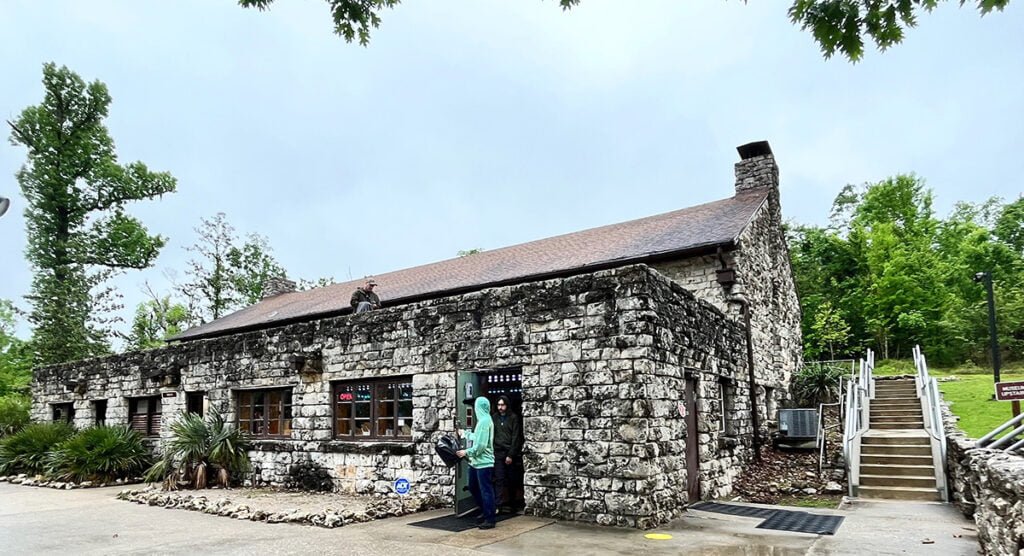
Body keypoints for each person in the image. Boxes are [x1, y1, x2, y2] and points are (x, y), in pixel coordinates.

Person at [456, 396, 496, 529]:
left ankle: (490, 518)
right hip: (477, 462)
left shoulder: (484, 422)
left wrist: (466, 452)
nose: (474, 409)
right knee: (473, 486)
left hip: (484, 462)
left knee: (486, 490)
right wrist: (466, 434)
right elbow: (478, 438)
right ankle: (485, 511)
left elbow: (481, 446)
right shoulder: (483, 421)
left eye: (475, 406)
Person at [492, 395, 523, 513]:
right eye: (499, 405)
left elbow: (516, 437)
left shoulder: (513, 418)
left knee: (511, 479)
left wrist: (511, 454)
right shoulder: (494, 417)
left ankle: (513, 503)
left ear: (507, 405)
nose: (500, 407)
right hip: (498, 451)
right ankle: (498, 505)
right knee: (499, 479)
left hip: (510, 452)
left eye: (502, 405)